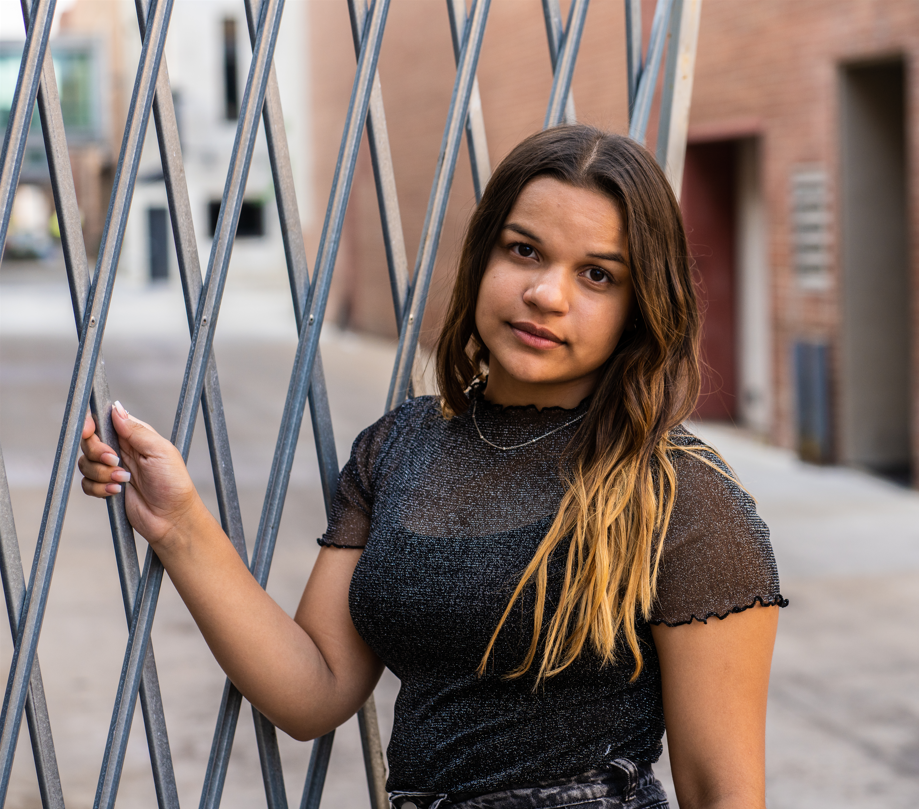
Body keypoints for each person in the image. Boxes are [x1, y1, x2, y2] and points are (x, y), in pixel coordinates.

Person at [79, 125, 786, 809]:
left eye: (596, 274)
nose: (546, 293)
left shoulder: (680, 491)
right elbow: (314, 690)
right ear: (482, 257)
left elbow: (722, 791)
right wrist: (178, 523)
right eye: (524, 251)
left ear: (638, 307)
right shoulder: (400, 447)